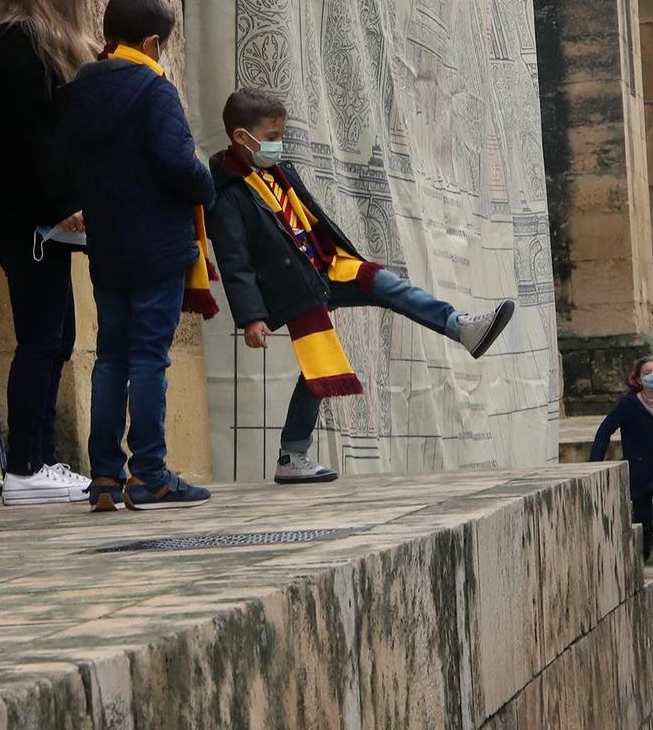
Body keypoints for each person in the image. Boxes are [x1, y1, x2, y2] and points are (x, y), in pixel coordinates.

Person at [206, 89, 515, 484]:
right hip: (290, 285)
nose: (277, 143)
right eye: (270, 136)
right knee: (320, 367)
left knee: (385, 283)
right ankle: (292, 455)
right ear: (240, 137)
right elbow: (236, 262)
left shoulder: (279, 174)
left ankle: (461, 326)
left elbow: (311, 222)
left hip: (323, 266)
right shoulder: (229, 195)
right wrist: (252, 317)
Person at [0, 0, 100, 507]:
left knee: (57, 335)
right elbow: (29, 138)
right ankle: (25, 467)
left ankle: (38, 460)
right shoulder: (19, 43)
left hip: (34, 217)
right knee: (41, 338)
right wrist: (61, 205)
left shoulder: (19, 38)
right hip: (29, 219)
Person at [59, 0, 217, 509]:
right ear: (152, 43)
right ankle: (149, 474)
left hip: (108, 245)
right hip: (156, 245)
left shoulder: (82, 87)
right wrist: (204, 179)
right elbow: (177, 164)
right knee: (150, 358)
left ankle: (104, 475)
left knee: (110, 359)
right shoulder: (154, 90)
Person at [590, 358, 653, 579]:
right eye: (648, 372)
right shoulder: (629, 404)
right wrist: (595, 461)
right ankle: (642, 552)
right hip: (639, 467)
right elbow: (605, 429)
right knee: (643, 517)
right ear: (638, 377)